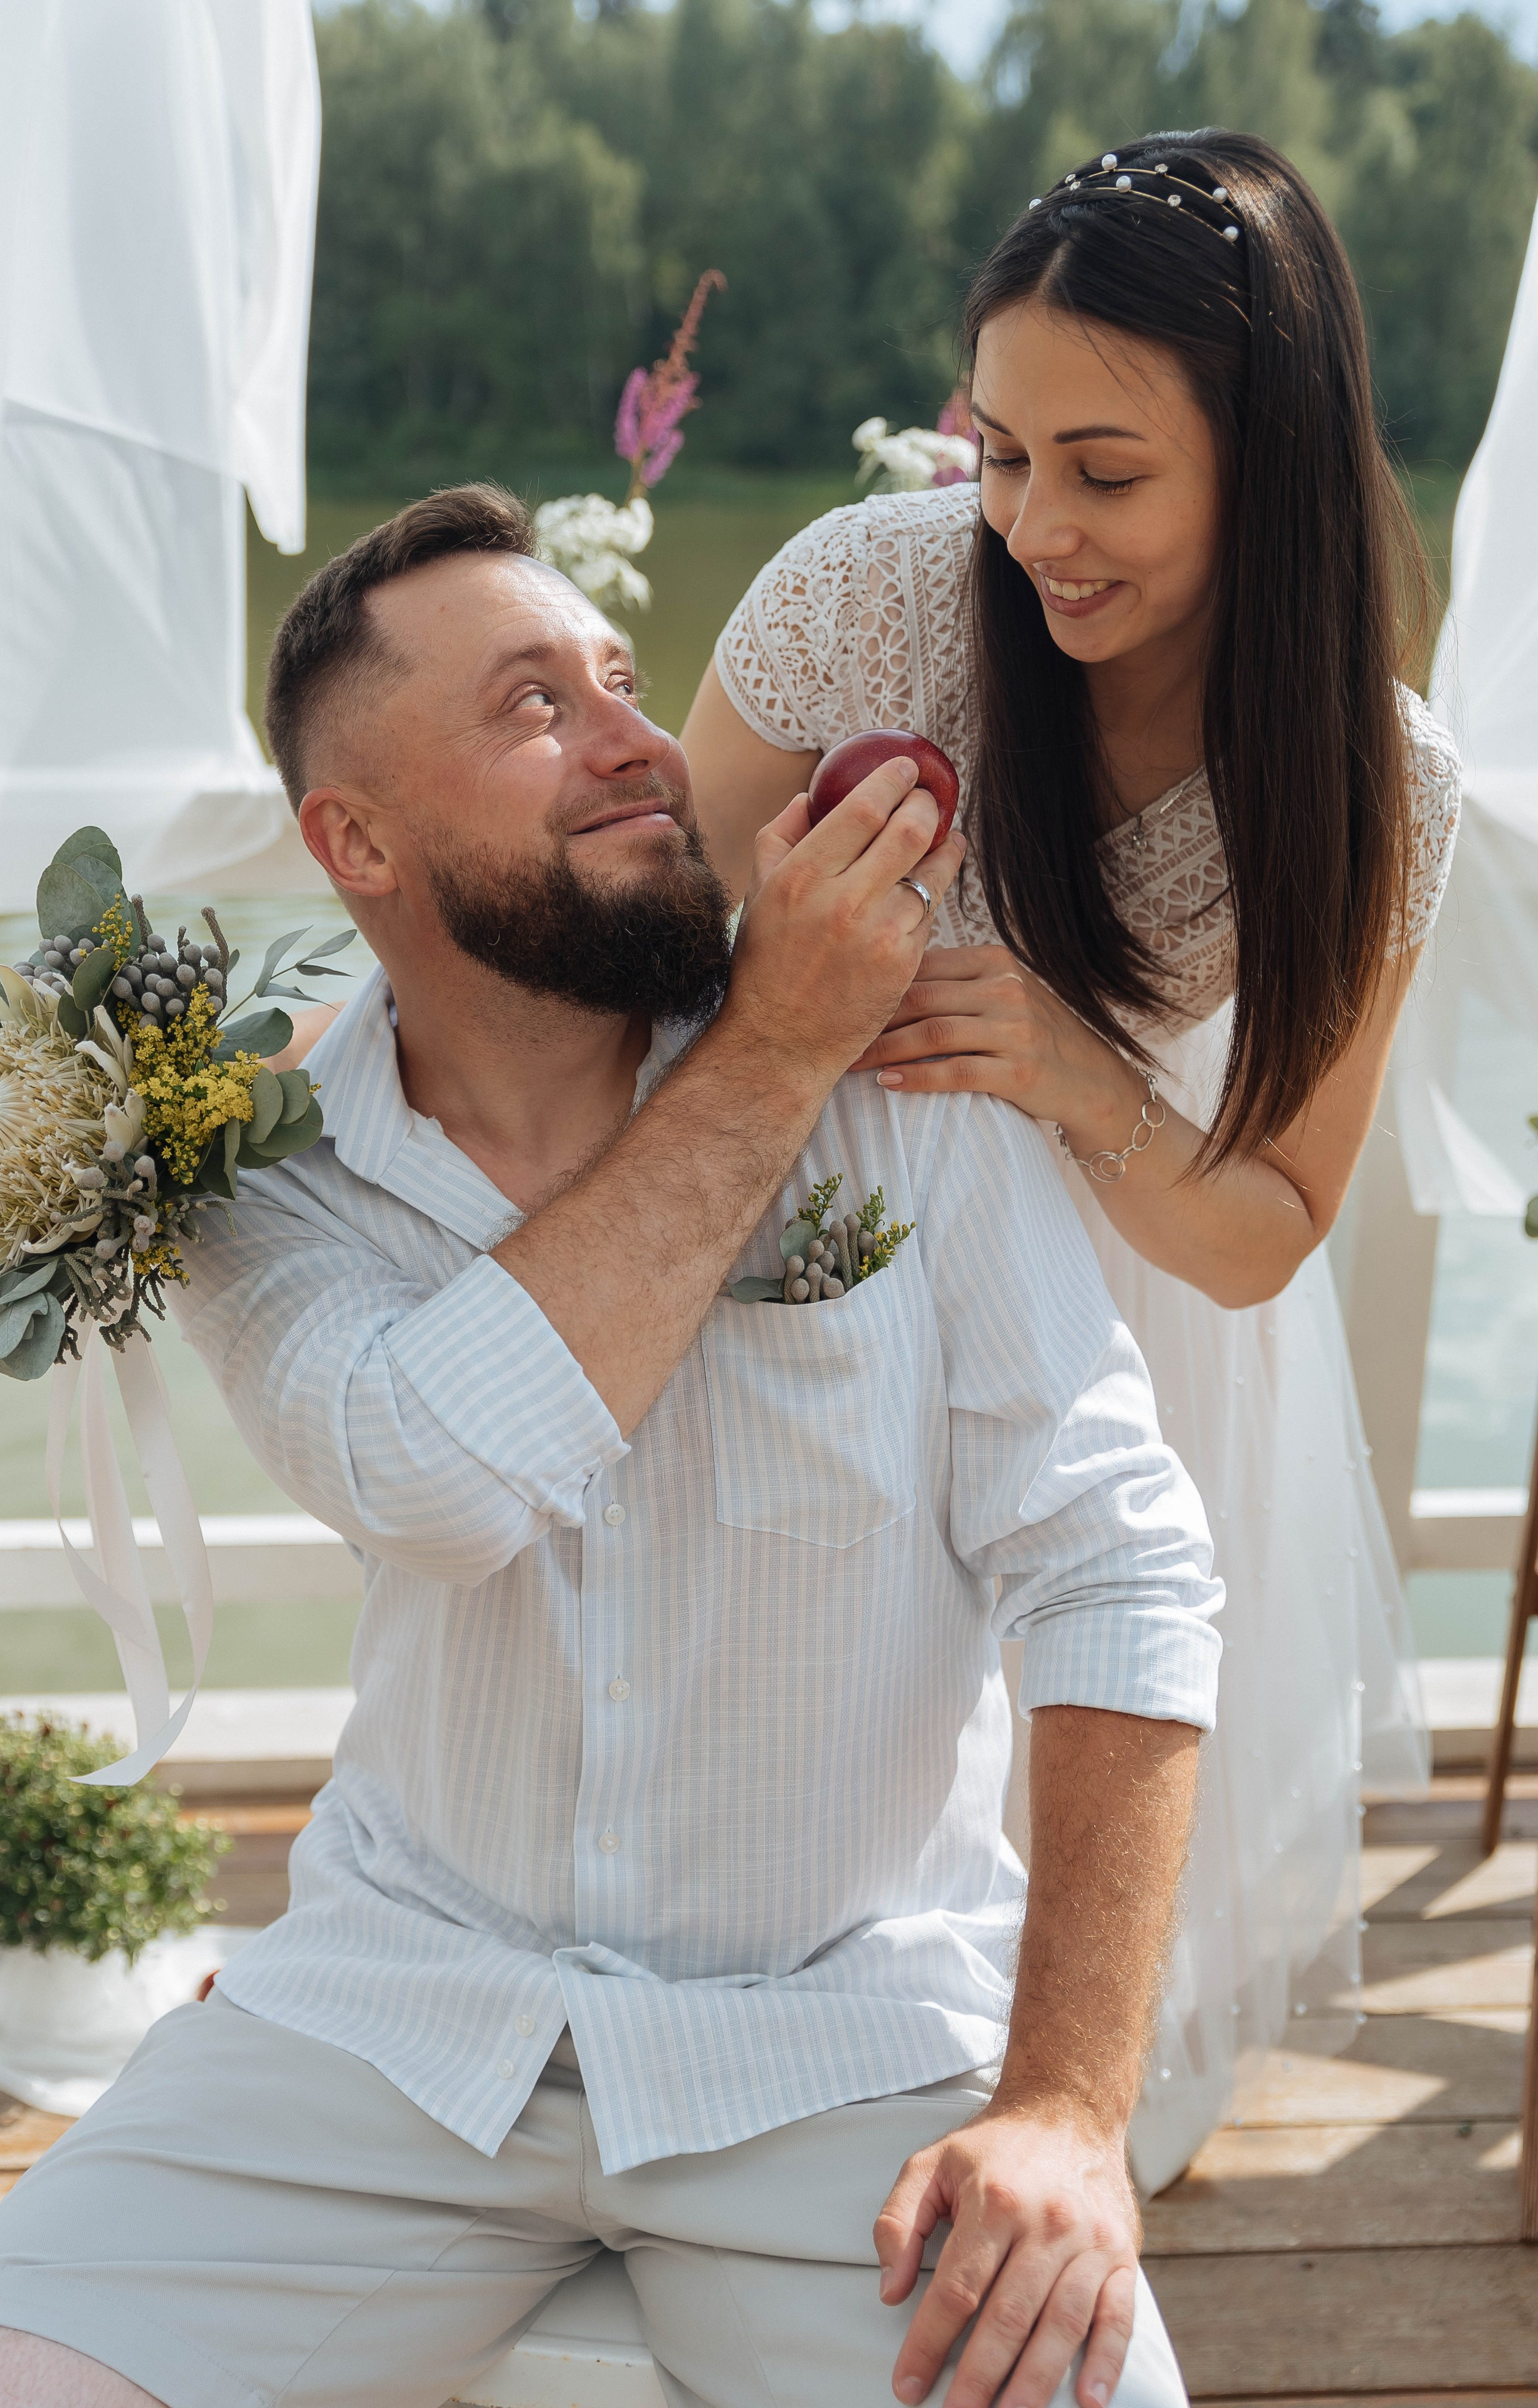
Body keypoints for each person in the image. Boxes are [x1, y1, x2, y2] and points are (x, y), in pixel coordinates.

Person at [0, 487, 1221, 2408]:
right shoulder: (248, 1172)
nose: (639, 739)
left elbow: (1116, 1558)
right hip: (384, 2034)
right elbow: (436, 1482)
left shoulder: (910, 1079)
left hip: (845, 2049)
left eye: (623, 679)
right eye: (534, 705)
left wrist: (1061, 2106)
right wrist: (766, 1056)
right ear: (351, 840)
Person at [677, 127, 1462, 2187]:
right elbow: (637, 954)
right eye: (1003, 451)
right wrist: (787, 967)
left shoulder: (1382, 789)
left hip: (1140, 1309)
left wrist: (1065, 1068)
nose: (1032, 527)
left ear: (1272, 468)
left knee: (1076, 1813)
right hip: (823, 1257)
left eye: (1106, 474)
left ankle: (1057, 2127)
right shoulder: (869, 595)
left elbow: (1260, 1233)